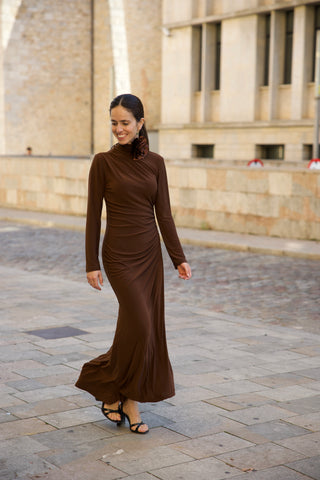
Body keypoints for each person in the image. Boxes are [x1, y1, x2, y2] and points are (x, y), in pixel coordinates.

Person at [75, 93, 192, 434]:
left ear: (141, 123)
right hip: (118, 257)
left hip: (149, 256)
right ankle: (102, 381)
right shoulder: (102, 162)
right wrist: (90, 262)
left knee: (140, 330)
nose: (118, 129)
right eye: (114, 122)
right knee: (141, 325)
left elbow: (164, 215)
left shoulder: (156, 162)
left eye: (125, 122)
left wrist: (178, 257)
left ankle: (127, 400)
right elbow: (92, 217)